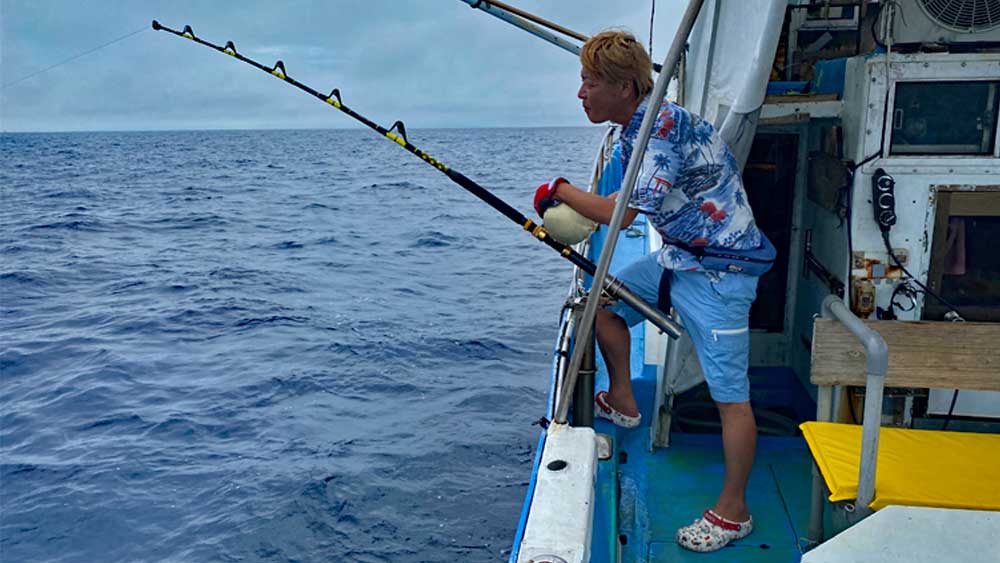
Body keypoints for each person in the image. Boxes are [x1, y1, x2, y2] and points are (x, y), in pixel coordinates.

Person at [533, 30, 774, 553]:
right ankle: (623, 398)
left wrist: (560, 190)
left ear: (623, 87)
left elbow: (622, 216)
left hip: (722, 271)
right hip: (681, 257)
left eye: (589, 83)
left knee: (731, 399)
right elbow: (630, 198)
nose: (581, 93)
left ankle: (735, 512)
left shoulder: (659, 126)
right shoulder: (638, 124)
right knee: (602, 300)